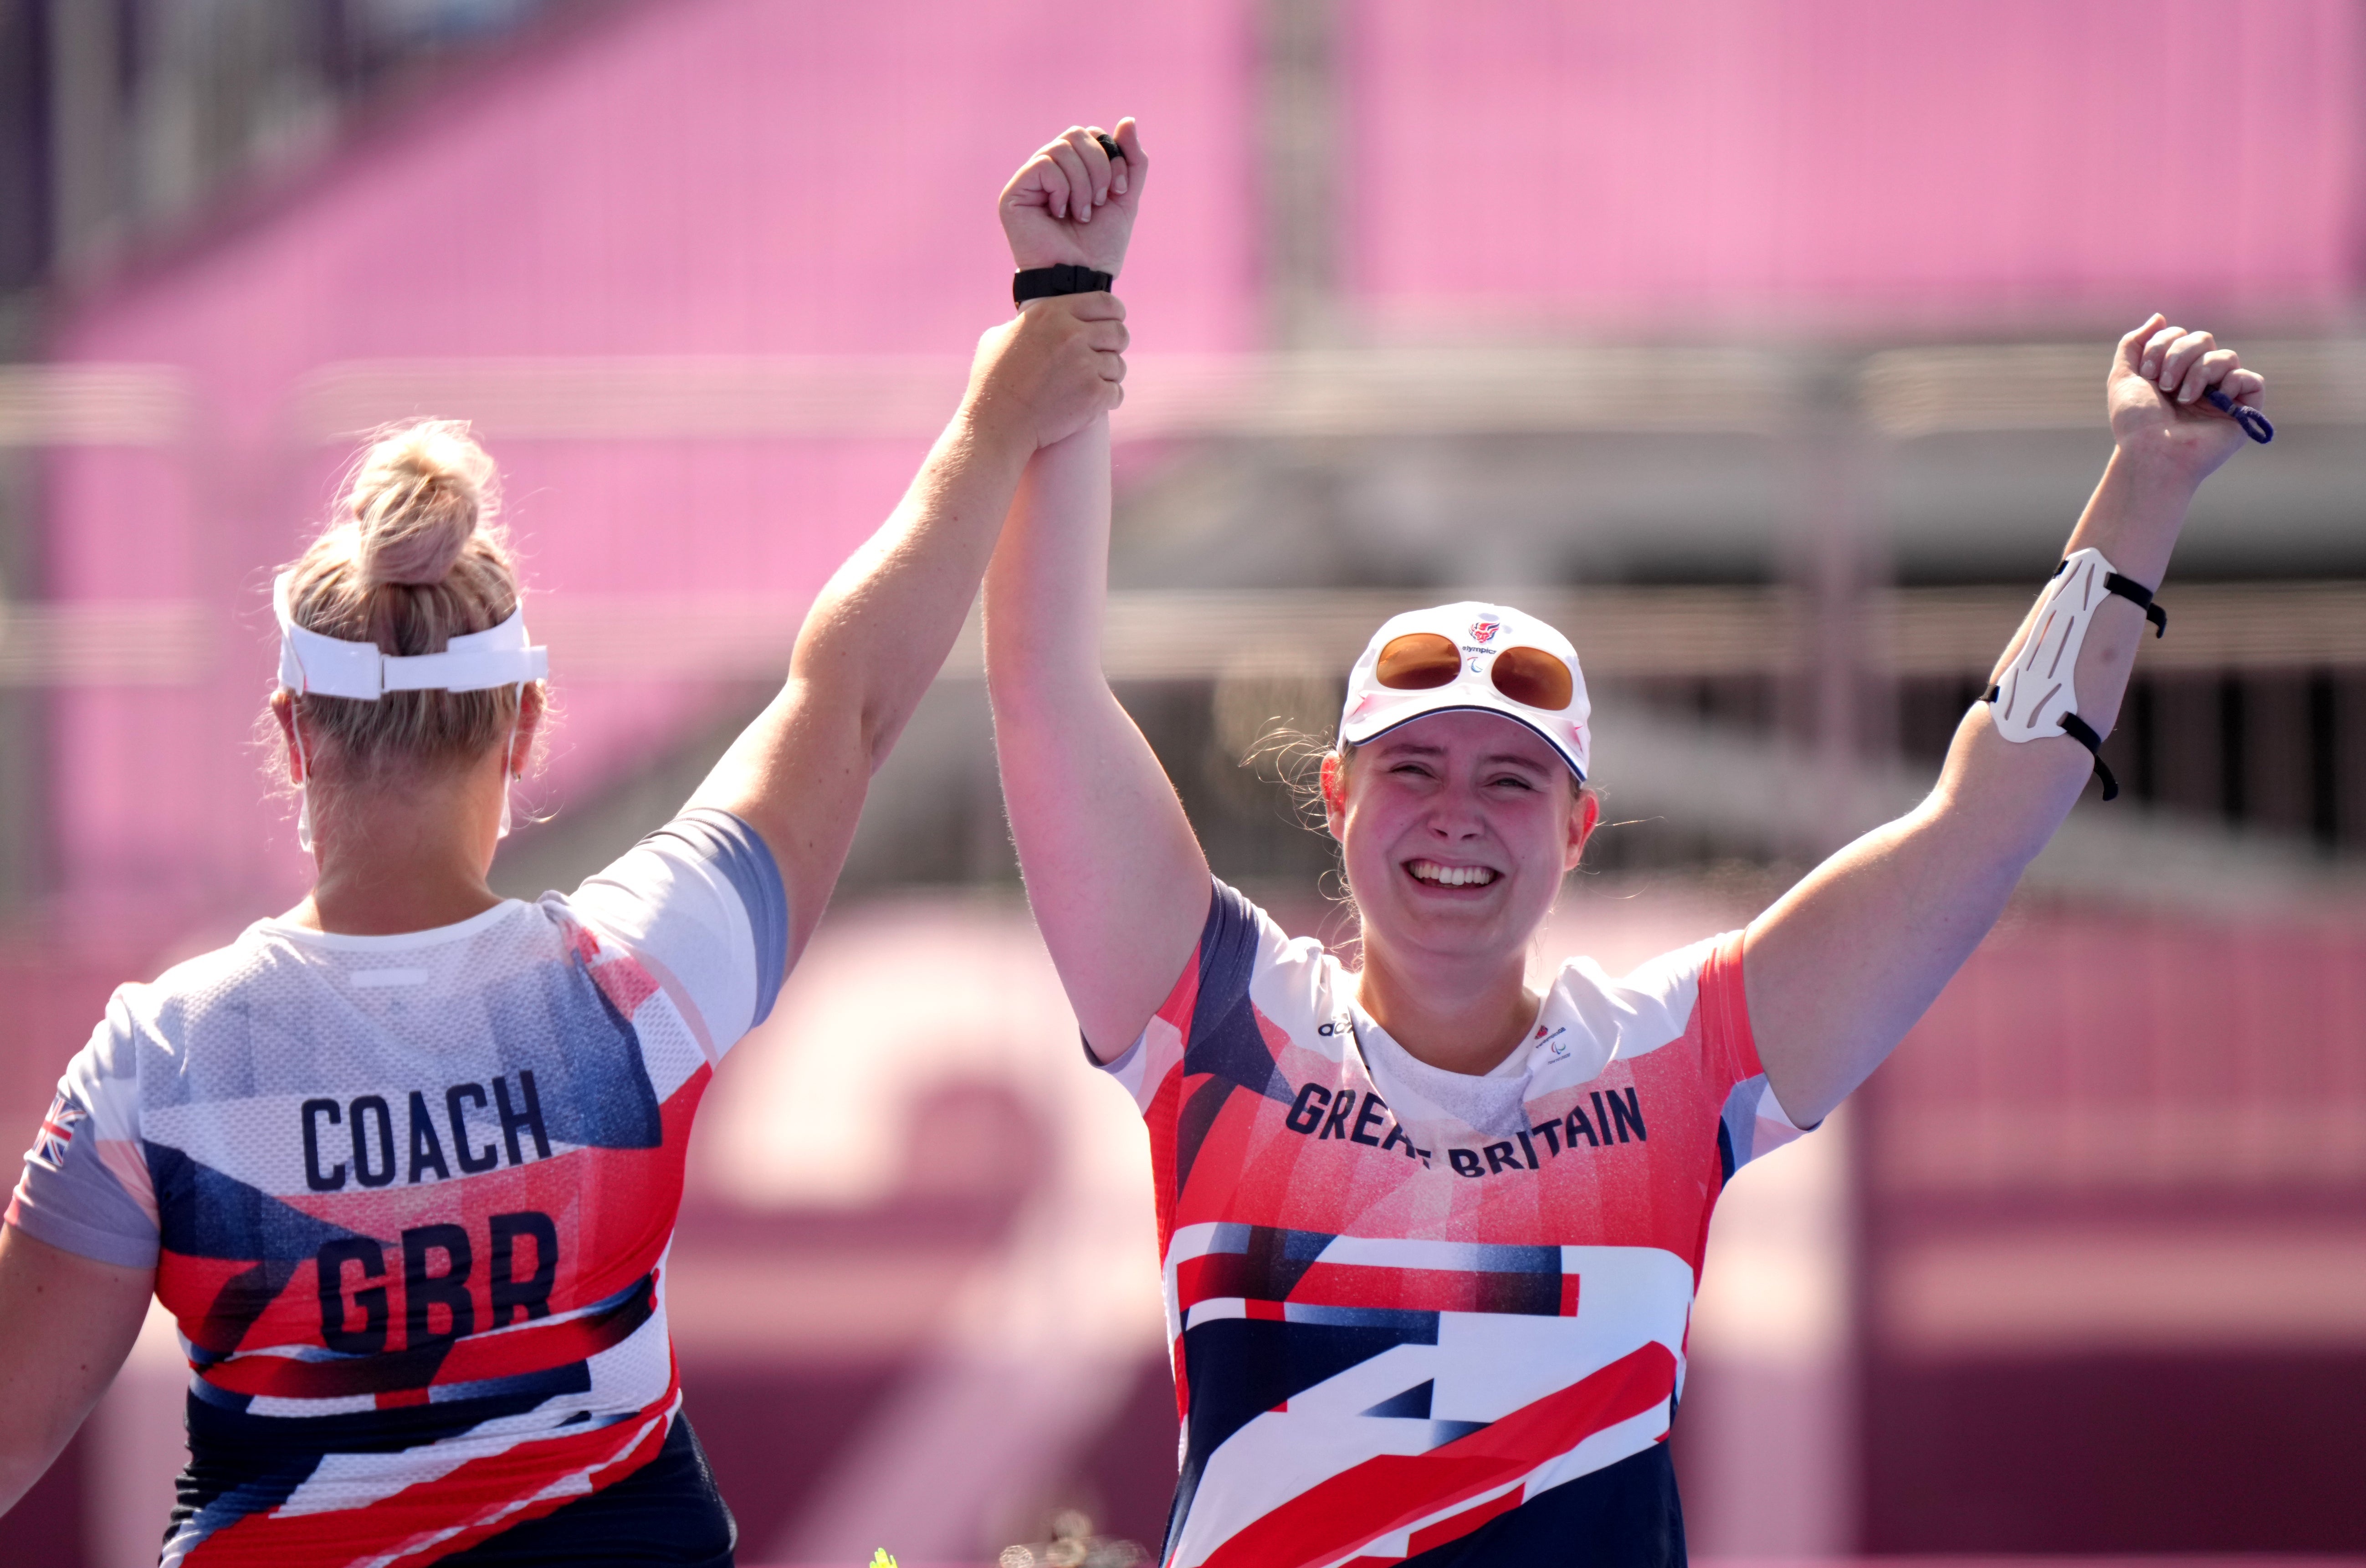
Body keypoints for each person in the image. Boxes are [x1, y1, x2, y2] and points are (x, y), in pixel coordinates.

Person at [984, 126, 2264, 1567]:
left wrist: (2144, 492)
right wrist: (1068, 295)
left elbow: (1981, 821)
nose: (1460, 808)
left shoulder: (1683, 1057)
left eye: (1513, 780)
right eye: (1412, 768)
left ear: (1577, 825)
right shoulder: (1217, 1013)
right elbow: (1037, 677)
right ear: (1335, 797)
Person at [0, 138, 1127, 1565]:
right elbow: (844, 696)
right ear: (527, 728)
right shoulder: (635, 980)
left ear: (291, 732)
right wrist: (1008, 392)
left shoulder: (154, 1062)